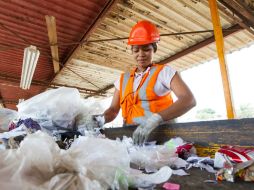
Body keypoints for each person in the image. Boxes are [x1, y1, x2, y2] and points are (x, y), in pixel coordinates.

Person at [92, 20, 196, 145]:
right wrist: (100, 119)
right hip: (132, 139)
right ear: (132, 52)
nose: (141, 55)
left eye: (146, 49)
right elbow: (113, 110)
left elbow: (188, 100)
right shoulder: (122, 79)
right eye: (136, 50)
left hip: (161, 141)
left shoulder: (164, 72)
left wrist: (155, 119)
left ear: (154, 49)